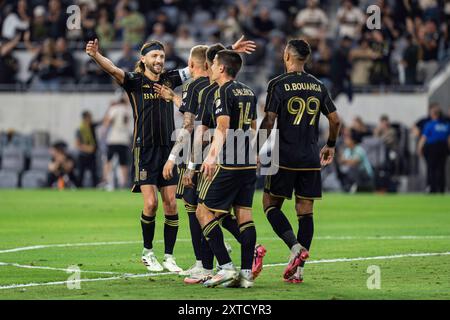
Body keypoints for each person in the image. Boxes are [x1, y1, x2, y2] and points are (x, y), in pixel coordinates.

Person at [85, 36, 254, 273]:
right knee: (151, 204)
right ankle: (147, 252)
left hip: (167, 149)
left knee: (171, 205)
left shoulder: (170, 78)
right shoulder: (133, 81)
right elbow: (113, 69)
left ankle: (169, 256)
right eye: (154, 56)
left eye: (162, 56)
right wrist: (95, 55)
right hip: (144, 149)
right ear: (143, 59)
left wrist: (230, 51)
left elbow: (203, 64)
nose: (159, 60)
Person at [257, 39, 341, 283]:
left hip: (283, 157)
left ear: (286, 56)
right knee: (305, 212)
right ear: (307, 59)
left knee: (270, 205)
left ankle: (295, 248)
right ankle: (300, 269)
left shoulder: (278, 84)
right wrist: (331, 145)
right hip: (310, 158)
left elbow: (270, 120)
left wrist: (256, 149)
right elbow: (335, 121)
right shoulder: (318, 85)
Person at [192, 50, 259, 288]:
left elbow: (222, 126)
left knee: (203, 211)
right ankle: (246, 275)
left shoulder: (222, 91)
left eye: (214, 64)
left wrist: (210, 157)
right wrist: (257, 153)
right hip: (248, 161)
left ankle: (226, 267)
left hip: (228, 161)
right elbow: (253, 127)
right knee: (244, 215)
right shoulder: (249, 91)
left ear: (222, 68)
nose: (210, 67)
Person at [102, 95, 133, 190]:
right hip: (124, 139)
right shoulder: (129, 109)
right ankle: (123, 183)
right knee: (123, 163)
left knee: (108, 161)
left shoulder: (114, 108)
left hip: (113, 139)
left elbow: (106, 123)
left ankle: (106, 181)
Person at [417, 107, 450, 193]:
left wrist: (419, 148)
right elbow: (448, 139)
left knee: (431, 168)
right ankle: (442, 188)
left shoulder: (430, 124)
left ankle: (432, 188)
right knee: (442, 169)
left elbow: (424, 138)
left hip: (431, 148)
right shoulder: (446, 125)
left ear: (433, 114)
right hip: (443, 148)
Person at [75, 111, 100, 188]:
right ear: (85, 118)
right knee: (80, 176)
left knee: (94, 176)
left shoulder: (92, 127)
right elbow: (77, 144)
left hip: (92, 156)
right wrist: (88, 148)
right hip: (83, 156)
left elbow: (102, 121)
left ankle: (95, 192)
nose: (91, 119)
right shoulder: (80, 129)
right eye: (89, 117)